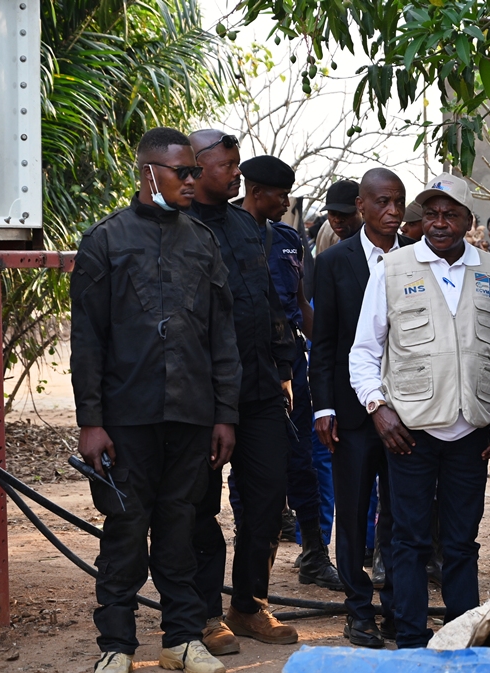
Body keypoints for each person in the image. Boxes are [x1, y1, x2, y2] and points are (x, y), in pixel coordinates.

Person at [72, 127, 238, 673]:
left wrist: (224, 415)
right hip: (126, 419)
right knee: (123, 531)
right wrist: (91, 422)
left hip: (191, 415)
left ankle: (181, 640)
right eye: (182, 172)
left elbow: (221, 337)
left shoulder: (202, 241)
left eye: (195, 171)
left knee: (180, 529)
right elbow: (88, 339)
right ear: (149, 173)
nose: (193, 181)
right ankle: (116, 648)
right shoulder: (106, 240)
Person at [349, 173, 490, 648]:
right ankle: (409, 636)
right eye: (431, 214)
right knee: (407, 540)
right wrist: (377, 409)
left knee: (463, 542)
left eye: (450, 215)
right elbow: (364, 351)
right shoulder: (393, 267)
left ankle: (461, 636)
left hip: (473, 430)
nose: (439, 223)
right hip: (411, 430)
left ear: (468, 220)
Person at [187, 130, 300, 653]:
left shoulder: (245, 224)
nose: (237, 174)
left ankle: (249, 604)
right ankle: (205, 614)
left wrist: (283, 368)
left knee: (266, 500)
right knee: (198, 507)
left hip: (257, 391)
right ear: (197, 166)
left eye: (237, 166)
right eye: (228, 166)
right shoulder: (178, 225)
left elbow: (269, 304)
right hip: (202, 398)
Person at [311, 168, 416, 648]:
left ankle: (399, 610)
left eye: (398, 202)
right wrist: (323, 408)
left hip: (411, 413)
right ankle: (358, 611)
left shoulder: (420, 259)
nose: (392, 212)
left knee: (400, 515)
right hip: (352, 416)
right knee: (353, 515)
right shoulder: (335, 262)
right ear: (361, 206)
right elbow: (326, 341)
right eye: (382, 203)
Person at [236, 155, 342, 589]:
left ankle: (314, 555)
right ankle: (251, 566)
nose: (286, 203)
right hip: (245, 367)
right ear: (256, 192)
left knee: (305, 464)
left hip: (293, 365)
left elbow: (300, 305)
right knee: (248, 472)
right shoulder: (221, 233)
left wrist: (331, 350)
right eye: (280, 196)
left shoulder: (288, 239)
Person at [315, 180, 362, 254]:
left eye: (344, 213)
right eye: (332, 213)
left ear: (361, 209)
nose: (337, 220)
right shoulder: (327, 230)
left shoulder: (377, 242)